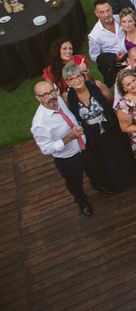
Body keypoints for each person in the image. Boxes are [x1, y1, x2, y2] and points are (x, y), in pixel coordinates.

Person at [64, 63, 136, 193]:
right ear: (67, 82)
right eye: (71, 78)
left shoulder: (95, 86)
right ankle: (115, 184)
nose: (76, 80)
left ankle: (130, 177)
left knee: (119, 150)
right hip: (91, 133)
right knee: (104, 158)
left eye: (78, 76)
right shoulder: (68, 97)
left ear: (83, 76)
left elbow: (110, 101)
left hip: (108, 125)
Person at [31, 81, 103, 216]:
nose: (51, 96)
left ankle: (98, 186)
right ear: (38, 98)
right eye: (45, 94)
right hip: (68, 158)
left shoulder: (58, 99)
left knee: (93, 169)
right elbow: (46, 149)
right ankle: (82, 202)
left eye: (52, 91)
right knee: (75, 183)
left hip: (84, 147)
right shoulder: (40, 124)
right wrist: (69, 137)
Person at [88, 0, 127, 87]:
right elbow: (94, 57)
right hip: (118, 64)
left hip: (132, 53)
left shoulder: (120, 19)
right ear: (96, 13)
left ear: (112, 9)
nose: (106, 14)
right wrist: (113, 58)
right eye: (102, 12)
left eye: (108, 10)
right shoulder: (94, 35)